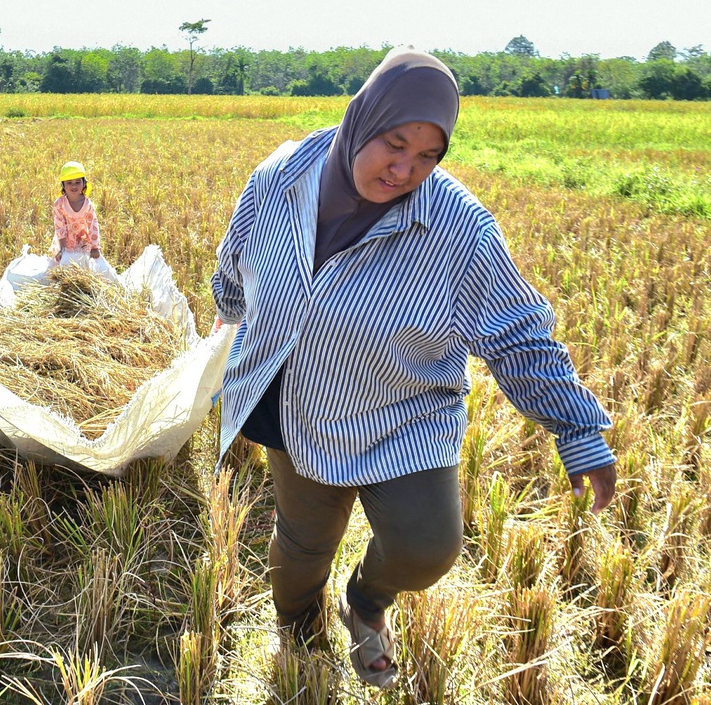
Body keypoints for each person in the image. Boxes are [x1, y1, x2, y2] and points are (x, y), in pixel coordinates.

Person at [210, 47, 616, 689]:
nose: (404, 170)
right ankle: (300, 637)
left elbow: (517, 331)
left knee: (427, 546)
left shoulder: (457, 228)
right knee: (302, 552)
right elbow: (236, 261)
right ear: (360, 120)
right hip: (295, 404)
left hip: (403, 410)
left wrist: (577, 428)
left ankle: (366, 602)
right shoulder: (280, 177)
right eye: (393, 144)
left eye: (428, 157)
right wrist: (229, 320)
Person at [51, 160, 103, 264]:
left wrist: (94, 247)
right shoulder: (59, 204)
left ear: (84, 184)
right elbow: (60, 227)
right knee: (63, 266)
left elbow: (93, 225)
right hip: (65, 242)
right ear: (63, 185)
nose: (74, 186)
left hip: (82, 241)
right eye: (69, 183)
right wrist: (63, 249)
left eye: (78, 182)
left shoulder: (88, 205)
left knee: (84, 265)